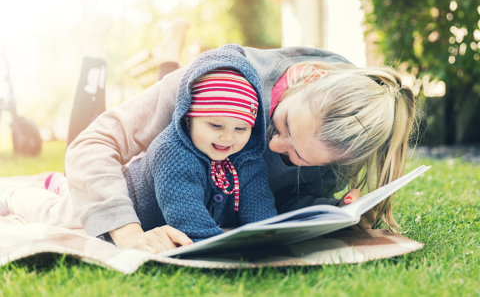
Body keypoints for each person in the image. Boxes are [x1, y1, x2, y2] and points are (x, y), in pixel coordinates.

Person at [65, 41, 416, 253]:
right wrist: (127, 232)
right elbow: (91, 144)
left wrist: (335, 210)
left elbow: (283, 198)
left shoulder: (345, 135)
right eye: (285, 124)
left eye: (297, 157)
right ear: (311, 79)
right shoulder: (221, 78)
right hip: (142, 178)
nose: (274, 143)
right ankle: (168, 50)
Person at [0, 48, 277, 247]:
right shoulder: (173, 154)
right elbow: (187, 218)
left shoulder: (246, 158)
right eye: (216, 126)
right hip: (118, 199)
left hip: (149, 215)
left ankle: (59, 183)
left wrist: (270, 234)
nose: (228, 138)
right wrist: (219, 245)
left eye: (240, 129)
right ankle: (16, 196)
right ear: (189, 117)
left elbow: (258, 202)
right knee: (57, 215)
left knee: (63, 196)